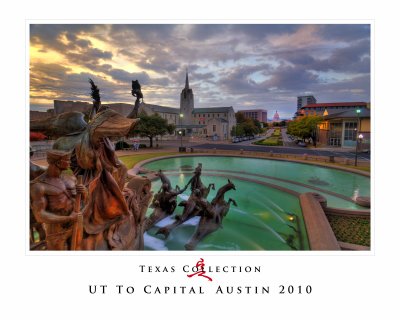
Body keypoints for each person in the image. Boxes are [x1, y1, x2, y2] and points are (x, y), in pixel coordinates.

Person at [30, 150, 87, 250]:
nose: (70, 163)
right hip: (57, 232)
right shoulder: (38, 186)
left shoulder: (70, 178)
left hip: (76, 224)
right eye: (68, 161)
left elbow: (84, 200)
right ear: (58, 163)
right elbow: (40, 215)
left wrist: (85, 192)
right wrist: (68, 218)